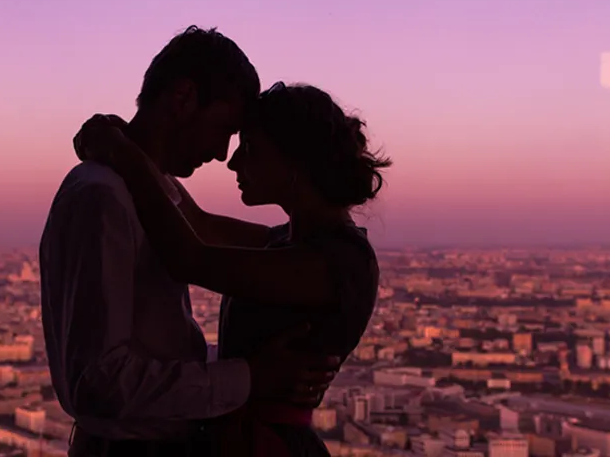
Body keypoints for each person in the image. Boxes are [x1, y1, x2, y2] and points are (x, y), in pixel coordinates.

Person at [39, 27, 341, 457]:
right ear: (182, 99)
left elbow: (203, 231)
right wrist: (250, 377)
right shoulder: (103, 196)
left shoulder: (149, 188)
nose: (222, 154)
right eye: (223, 128)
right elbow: (100, 382)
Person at [74, 80, 390, 456]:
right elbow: (199, 224)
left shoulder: (334, 263)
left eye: (251, 149)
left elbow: (188, 256)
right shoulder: (294, 245)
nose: (234, 161)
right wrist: (137, 150)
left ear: (294, 162)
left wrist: (125, 156)